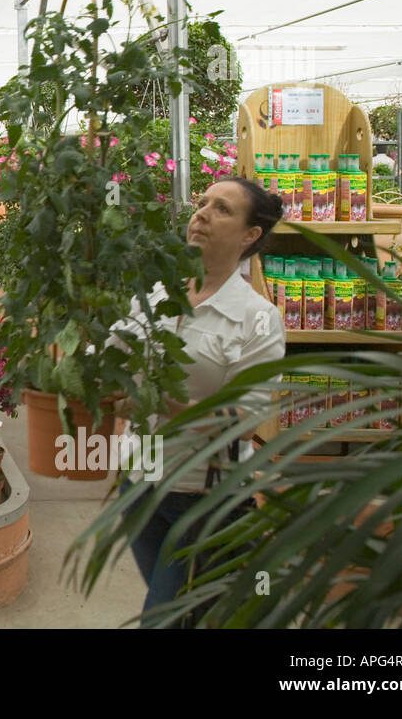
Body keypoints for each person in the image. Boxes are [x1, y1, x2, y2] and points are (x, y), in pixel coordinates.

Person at [112, 177, 286, 625]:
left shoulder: (257, 319)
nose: (202, 213)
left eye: (222, 209)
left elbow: (246, 419)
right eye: (202, 202)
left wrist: (159, 400)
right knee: (182, 613)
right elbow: (109, 358)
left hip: (199, 497)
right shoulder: (157, 294)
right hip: (139, 484)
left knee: (163, 618)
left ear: (251, 235)